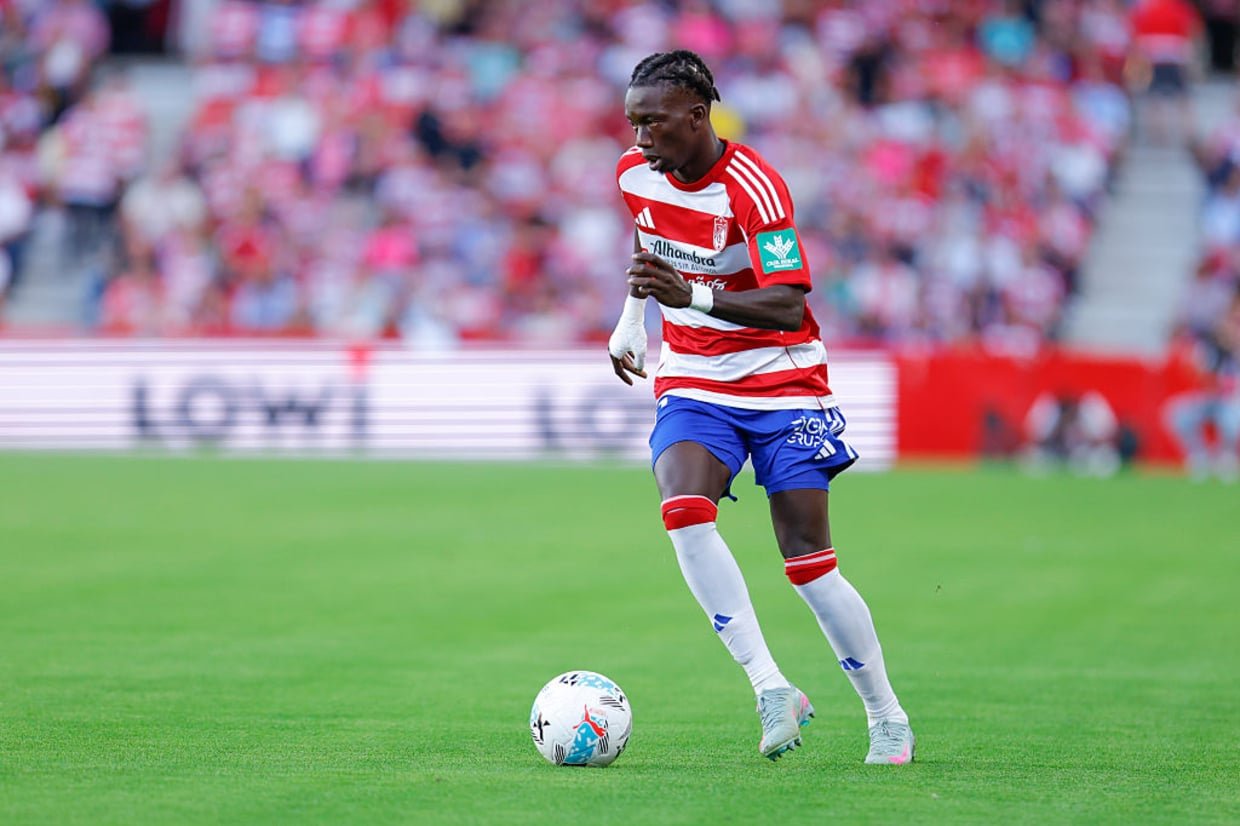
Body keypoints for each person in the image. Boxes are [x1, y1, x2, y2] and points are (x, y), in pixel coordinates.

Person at [607, 50, 914, 765]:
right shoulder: (634, 174)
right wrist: (632, 321)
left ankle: (886, 714)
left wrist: (693, 296)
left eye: (653, 123)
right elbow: (650, 242)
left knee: (809, 564)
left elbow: (787, 303)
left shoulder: (757, 188)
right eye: (633, 123)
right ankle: (771, 687)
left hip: (782, 379)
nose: (641, 139)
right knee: (683, 511)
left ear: (697, 114)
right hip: (695, 377)